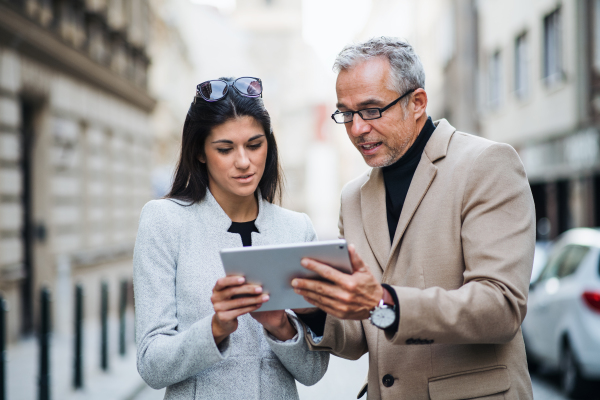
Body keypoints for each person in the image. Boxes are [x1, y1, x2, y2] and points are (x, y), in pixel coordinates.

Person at [292, 37, 535, 399]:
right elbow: (362, 333)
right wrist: (312, 310)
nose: (356, 128)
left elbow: (500, 308)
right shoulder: (352, 197)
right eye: (346, 113)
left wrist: (383, 301)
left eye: (371, 109)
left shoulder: (486, 165)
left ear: (417, 103)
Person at [133, 76, 329, 399]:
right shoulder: (164, 222)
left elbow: (313, 372)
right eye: (225, 149)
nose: (244, 162)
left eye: (254, 145)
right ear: (200, 152)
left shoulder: (297, 229)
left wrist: (280, 327)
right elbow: (151, 365)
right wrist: (215, 328)